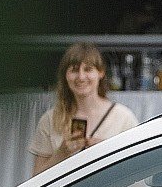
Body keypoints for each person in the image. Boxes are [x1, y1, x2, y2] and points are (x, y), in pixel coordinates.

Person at [31, 43, 139, 178]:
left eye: (88, 69)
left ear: (101, 72)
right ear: (65, 75)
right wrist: (61, 154)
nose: (81, 77)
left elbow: (138, 175)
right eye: (74, 70)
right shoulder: (50, 119)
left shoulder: (123, 118)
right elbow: (36, 180)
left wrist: (109, 154)